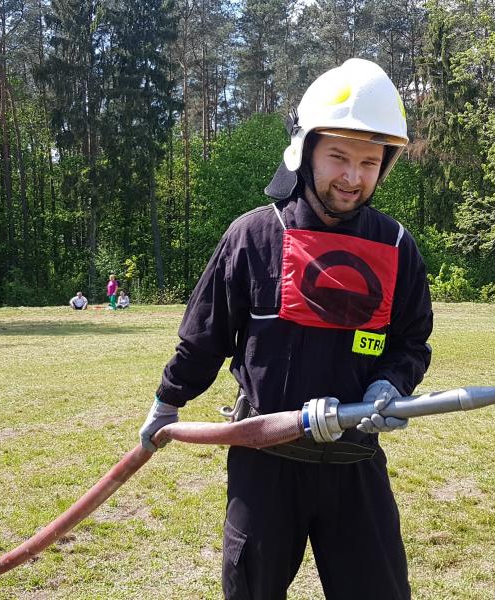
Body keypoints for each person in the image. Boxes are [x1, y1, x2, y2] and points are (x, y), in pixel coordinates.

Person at [139, 58, 432, 600]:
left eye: (369, 162)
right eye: (339, 156)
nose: (352, 177)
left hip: (354, 464)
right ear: (306, 151)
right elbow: (205, 336)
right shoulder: (253, 236)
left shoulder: (396, 246)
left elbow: (411, 341)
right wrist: (167, 401)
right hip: (265, 464)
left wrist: (391, 384)